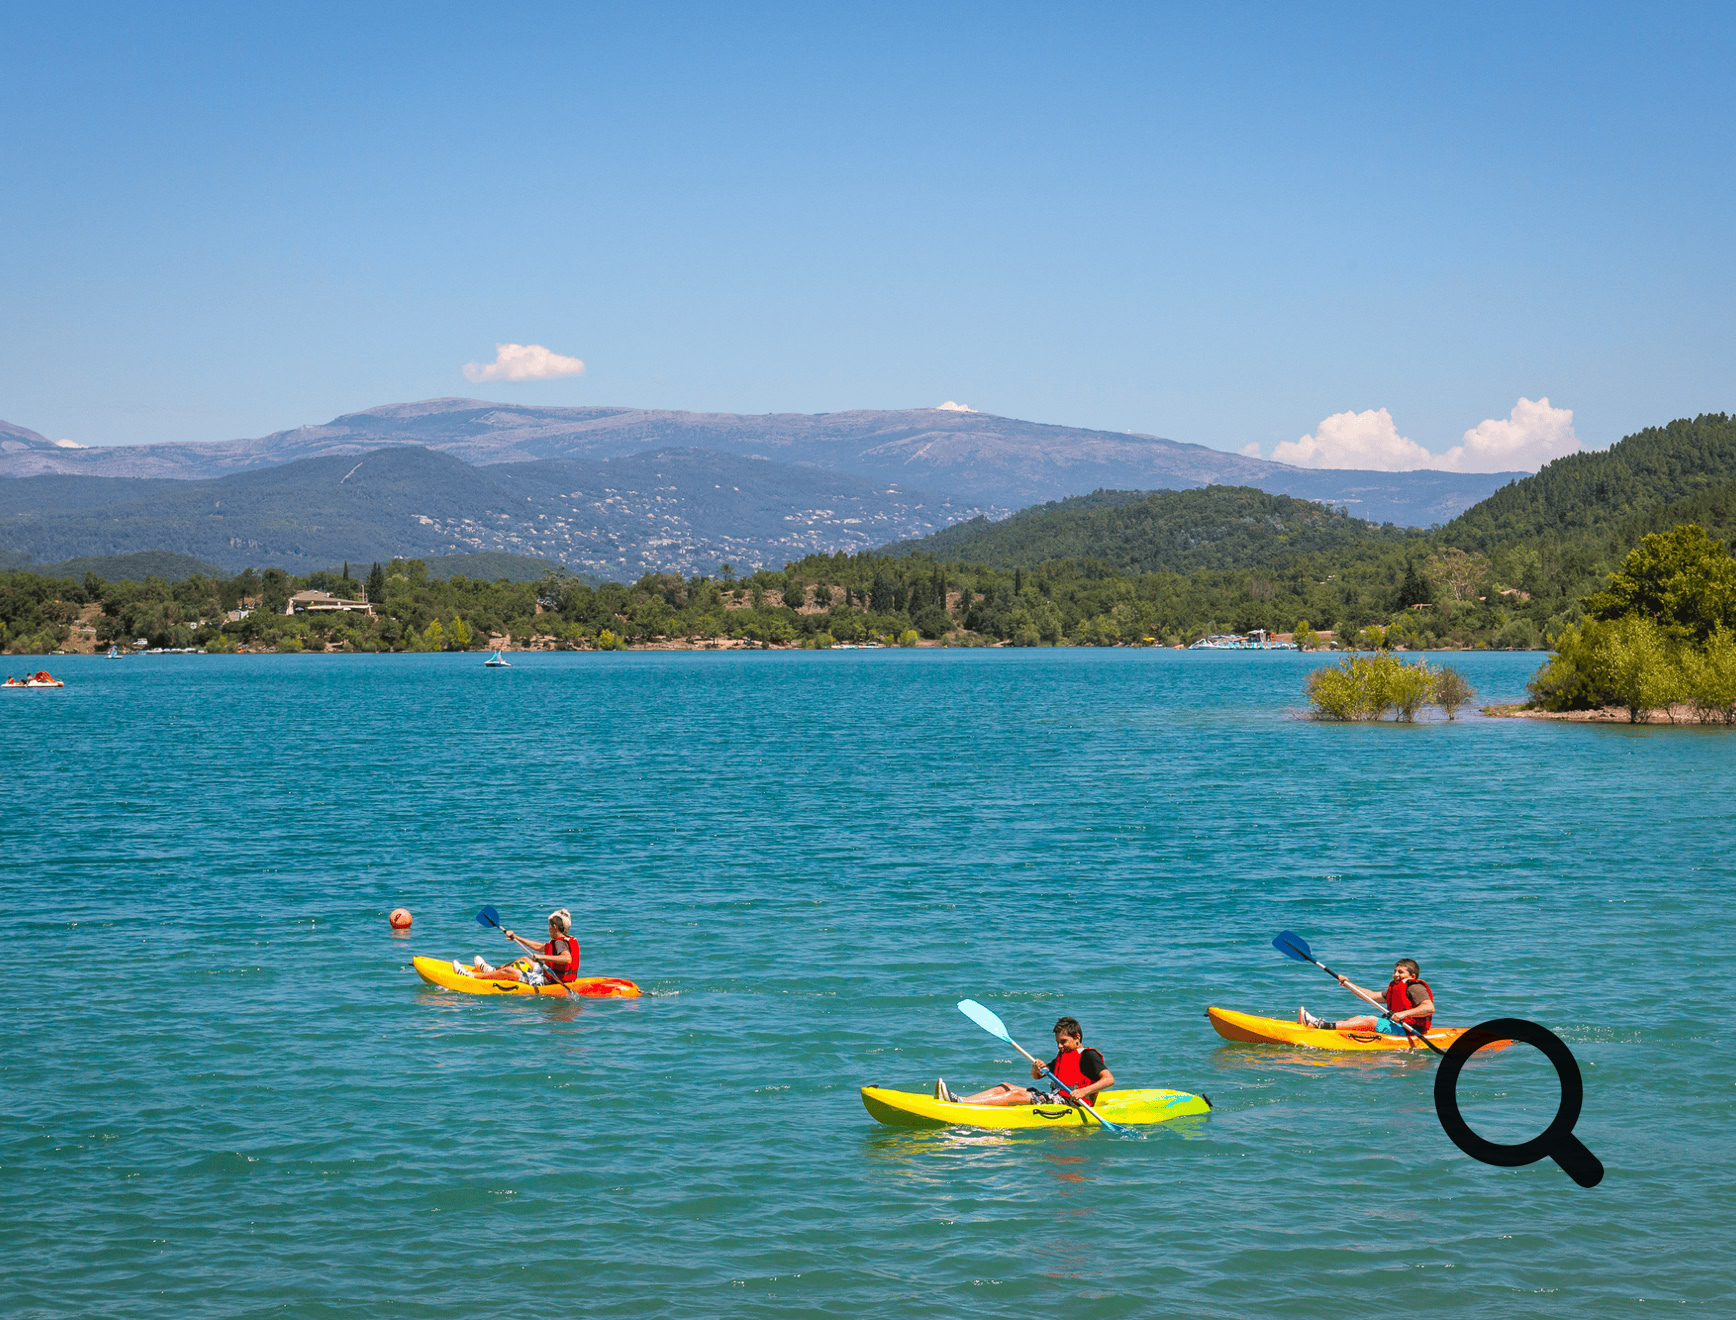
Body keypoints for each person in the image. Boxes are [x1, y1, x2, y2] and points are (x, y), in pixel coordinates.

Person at [944, 1017, 1115, 1108]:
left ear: (1077, 1037)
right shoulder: (1064, 1056)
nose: (1059, 1046)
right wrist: (1036, 1067)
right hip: (1055, 1097)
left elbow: (1109, 1079)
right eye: (1057, 1042)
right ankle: (963, 1101)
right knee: (1004, 1086)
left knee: (1017, 1095)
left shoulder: (1088, 1056)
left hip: (1072, 1103)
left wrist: (1083, 1091)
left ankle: (962, 1105)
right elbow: (1037, 1077)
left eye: (1063, 1041)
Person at [1299, 958, 1434, 1036]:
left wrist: (1403, 1014)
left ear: (1412, 976)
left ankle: (1319, 1025)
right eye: (1394, 971)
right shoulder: (1395, 989)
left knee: (1370, 1020)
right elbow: (1370, 995)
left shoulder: (1415, 987)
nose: (1395, 975)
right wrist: (1348, 984)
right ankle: (1329, 1029)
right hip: (1396, 1026)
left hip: (1411, 1031)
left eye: (1400, 972)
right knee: (1360, 1018)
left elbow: (1429, 1007)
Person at [470, 910, 580, 986]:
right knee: (524, 960)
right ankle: (492, 970)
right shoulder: (565, 940)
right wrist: (516, 937)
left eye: (549, 926)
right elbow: (539, 947)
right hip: (555, 976)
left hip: (551, 981)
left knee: (508, 971)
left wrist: (541, 957)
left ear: (555, 927)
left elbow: (567, 959)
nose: (548, 929)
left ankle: (473, 977)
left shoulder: (559, 943)